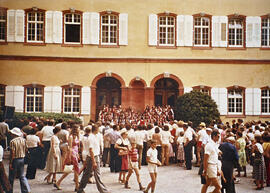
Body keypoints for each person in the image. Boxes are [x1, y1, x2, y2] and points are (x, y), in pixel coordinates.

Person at [77, 124, 110, 193]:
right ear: (96, 129)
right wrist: (94, 161)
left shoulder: (94, 136)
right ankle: (103, 190)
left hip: (92, 156)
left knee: (87, 174)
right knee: (96, 174)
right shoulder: (91, 138)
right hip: (93, 157)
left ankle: (80, 188)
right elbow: (91, 149)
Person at [54, 124, 80, 191]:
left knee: (71, 170)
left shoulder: (77, 136)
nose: (79, 129)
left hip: (75, 153)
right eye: (78, 128)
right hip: (72, 154)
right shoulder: (71, 137)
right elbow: (70, 147)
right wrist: (69, 157)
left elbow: (77, 146)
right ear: (76, 129)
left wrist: (78, 154)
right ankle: (77, 186)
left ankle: (58, 182)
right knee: (75, 170)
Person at [8, 127, 31, 193]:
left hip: (15, 159)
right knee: (22, 176)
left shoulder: (12, 141)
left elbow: (12, 153)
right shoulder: (23, 140)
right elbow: (26, 149)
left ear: (14, 134)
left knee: (11, 177)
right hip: (22, 158)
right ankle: (26, 190)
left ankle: (10, 190)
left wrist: (10, 162)